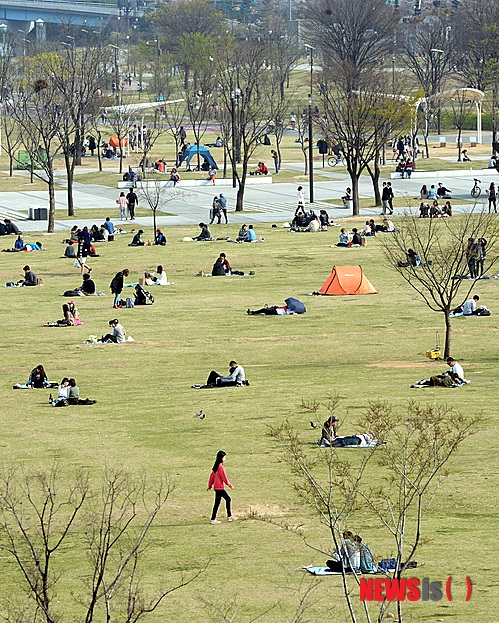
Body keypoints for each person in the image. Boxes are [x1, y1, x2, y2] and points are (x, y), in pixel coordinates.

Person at [207, 451, 237, 524]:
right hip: (220, 488)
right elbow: (224, 478)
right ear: (221, 458)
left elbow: (211, 477)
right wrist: (230, 485)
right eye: (224, 457)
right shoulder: (220, 467)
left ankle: (214, 518)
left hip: (216, 488)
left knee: (217, 503)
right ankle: (229, 516)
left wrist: (210, 485)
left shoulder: (216, 466)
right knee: (228, 499)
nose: (225, 458)